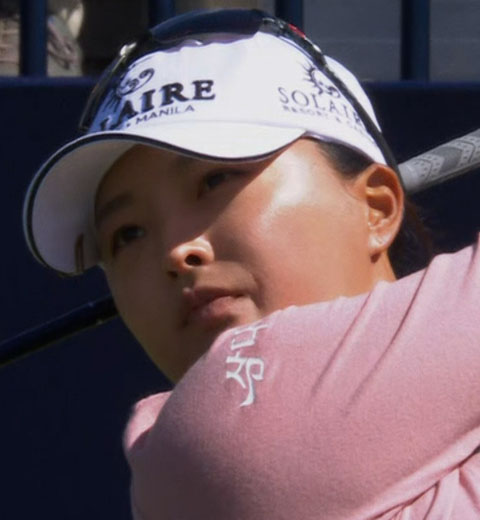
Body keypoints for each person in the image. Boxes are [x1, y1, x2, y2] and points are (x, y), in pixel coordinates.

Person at [23, 9, 480, 520]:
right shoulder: (215, 431)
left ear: (375, 207)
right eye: (127, 234)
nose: (176, 250)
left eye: (215, 180)